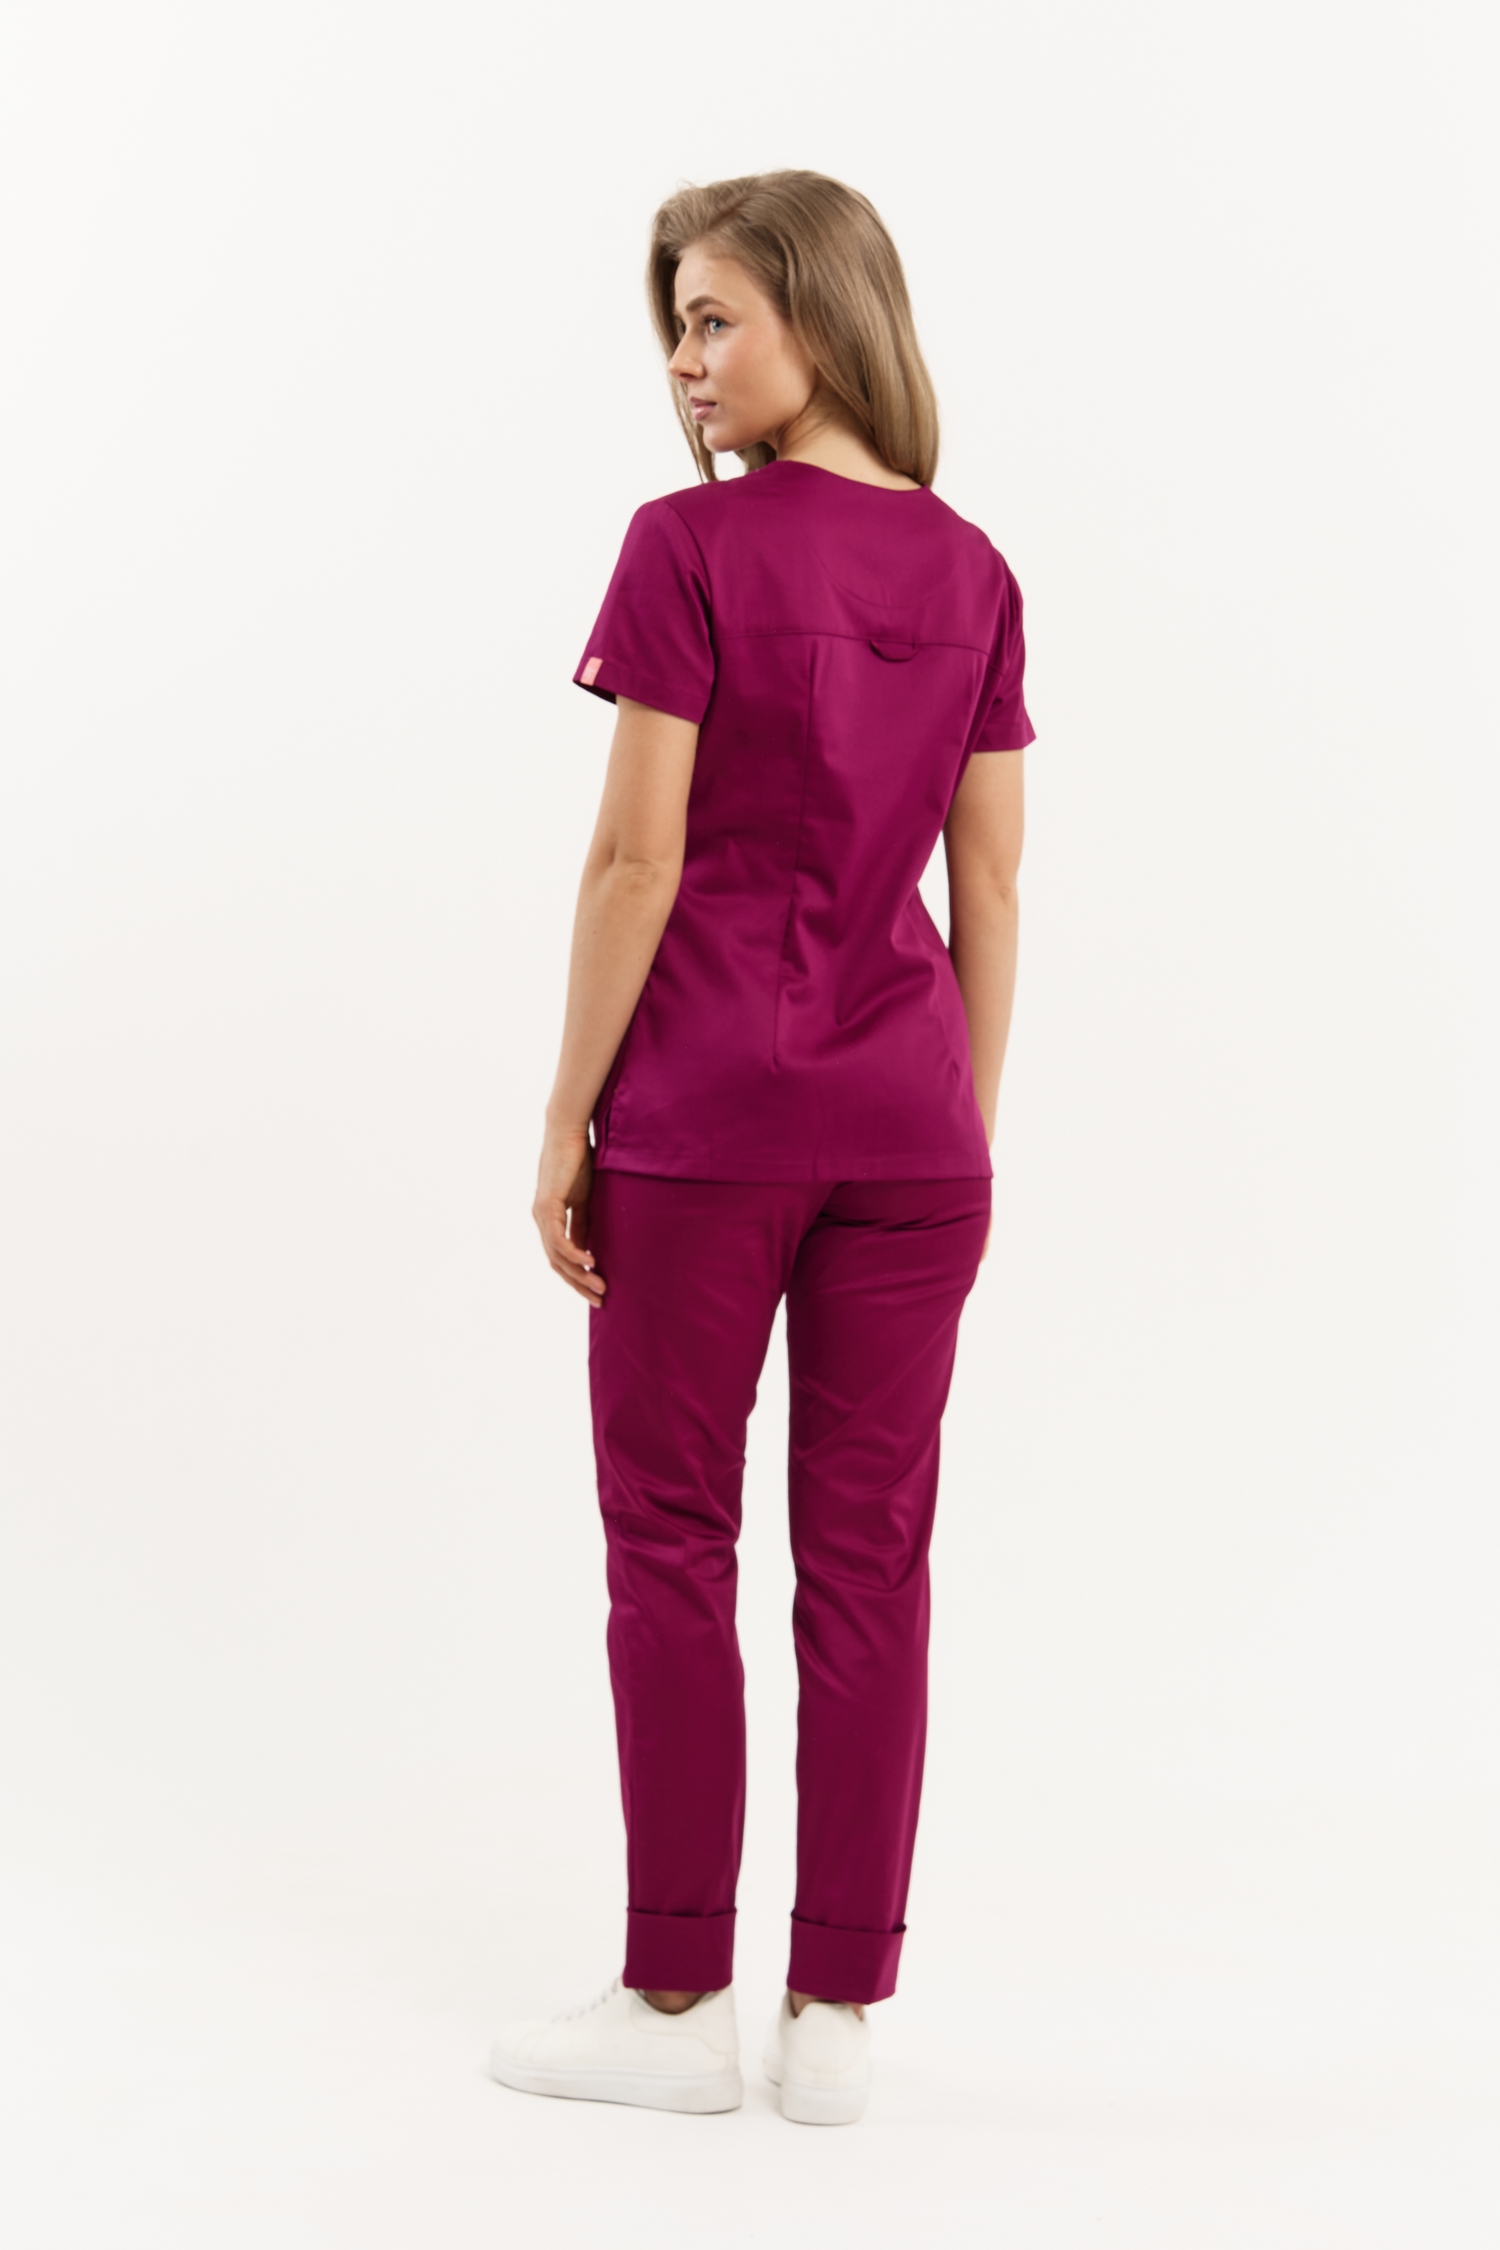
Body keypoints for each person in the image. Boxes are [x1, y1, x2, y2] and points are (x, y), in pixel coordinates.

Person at [490, 169, 1033, 2127]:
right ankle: (835, 2025)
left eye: (716, 317)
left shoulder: (688, 548)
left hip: (705, 1121)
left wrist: (565, 1114)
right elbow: (991, 886)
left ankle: (673, 2003)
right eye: (677, 325)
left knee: (671, 1541)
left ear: (823, 313)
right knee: (871, 1561)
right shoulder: (974, 572)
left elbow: (635, 861)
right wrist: (961, 1127)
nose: (686, 361)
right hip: (914, 1138)